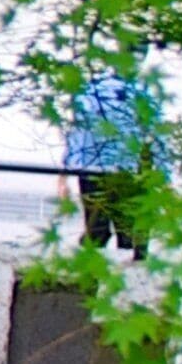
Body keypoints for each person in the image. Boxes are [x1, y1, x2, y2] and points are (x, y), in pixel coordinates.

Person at [61, 70, 155, 254]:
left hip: (95, 167)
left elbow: (78, 131)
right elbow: (153, 133)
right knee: (128, 233)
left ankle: (89, 270)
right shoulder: (141, 90)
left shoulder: (90, 89)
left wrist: (66, 170)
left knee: (97, 230)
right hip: (126, 168)